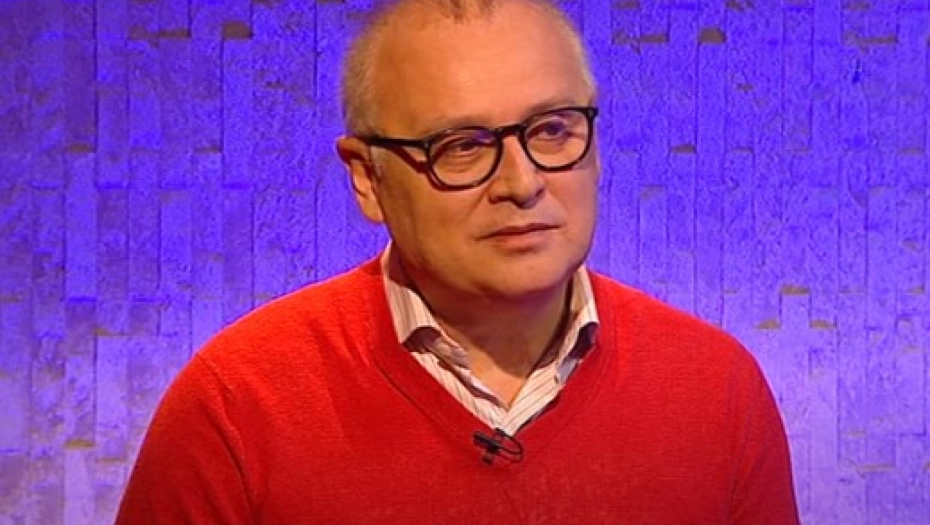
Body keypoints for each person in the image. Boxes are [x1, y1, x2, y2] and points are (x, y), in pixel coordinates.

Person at [115, 0, 800, 523]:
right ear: (367, 177)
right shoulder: (238, 404)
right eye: (463, 146)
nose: (523, 183)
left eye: (552, 130)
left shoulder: (718, 391)